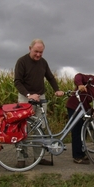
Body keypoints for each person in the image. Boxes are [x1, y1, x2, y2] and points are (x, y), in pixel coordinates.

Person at [14, 38, 64, 167]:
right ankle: (21, 159)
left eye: (41, 52)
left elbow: (50, 77)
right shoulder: (22, 61)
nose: (38, 55)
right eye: (36, 51)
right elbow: (17, 82)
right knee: (23, 128)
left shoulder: (43, 62)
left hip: (40, 97)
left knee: (39, 128)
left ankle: (39, 157)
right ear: (30, 48)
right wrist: (29, 95)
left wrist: (57, 90)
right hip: (26, 97)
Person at [66, 73, 94, 164]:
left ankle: (82, 153)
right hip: (74, 106)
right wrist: (80, 85)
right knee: (77, 130)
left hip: (83, 109)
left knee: (83, 130)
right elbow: (78, 76)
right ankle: (77, 156)